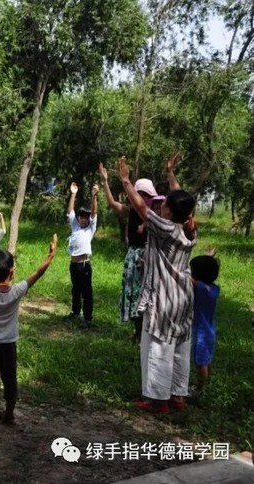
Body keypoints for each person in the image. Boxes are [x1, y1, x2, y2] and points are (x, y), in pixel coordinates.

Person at [117, 155, 197, 414]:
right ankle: (177, 395)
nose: (160, 207)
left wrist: (126, 181)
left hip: (163, 297)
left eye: (164, 205)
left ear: (169, 211)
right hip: (183, 298)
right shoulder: (188, 229)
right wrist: (170, 174)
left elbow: (141, 207)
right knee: (180, 346)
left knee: (157, 346)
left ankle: (157, 400)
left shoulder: (166, 228)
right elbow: (184, 202)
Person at [0, 234, 57, 432]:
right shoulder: (17, 291)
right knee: (10, 380)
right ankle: (8, 414)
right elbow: (38, 273)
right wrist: (50, 255)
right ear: (12, 272)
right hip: (8, 344)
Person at [98, 163, 158, 341]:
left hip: (149, 258)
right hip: (133, 256)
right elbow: (112, 203)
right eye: (140, 194)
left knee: (146, 295)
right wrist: (105, 182)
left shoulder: (155, 215)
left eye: (146, 195)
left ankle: (146, 333)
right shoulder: (130, 211)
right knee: (134, 294)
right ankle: (138, 333)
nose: (143, 198)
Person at [66, 182, 99, 328]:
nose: (84, 219)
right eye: (81, 217)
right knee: (75, 290)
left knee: (86, 292)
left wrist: (94, 196)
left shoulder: (90, 229)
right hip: (73, 265)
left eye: (86, 217)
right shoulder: (75, 226)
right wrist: (73, 194)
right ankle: (75, 312)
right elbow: (70, 211)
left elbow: (94, 213)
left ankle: (87, 318)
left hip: (84, 266)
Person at [190, 248, 220, 400]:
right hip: (210, 330)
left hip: (200, 333)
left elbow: (186, 277)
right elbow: (205, 273)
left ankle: (200, 390)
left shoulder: (200, 288)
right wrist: (209, 259)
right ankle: (207, 385)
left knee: (200, 362)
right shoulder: (214, 289)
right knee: (207, 359)